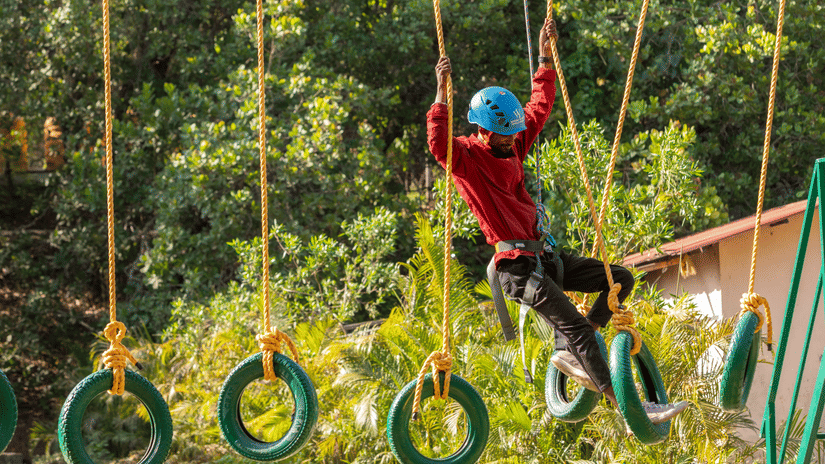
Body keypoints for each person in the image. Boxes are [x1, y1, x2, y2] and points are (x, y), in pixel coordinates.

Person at [426, 17, 687, 425]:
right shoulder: (467, 160)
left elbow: (539, 108)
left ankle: (571, 348)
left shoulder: (512, 143)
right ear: (483, 131)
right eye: (503, 135)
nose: (512, 140)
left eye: (513, 134)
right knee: (582, 333)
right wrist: (442, 95)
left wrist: (545, 56)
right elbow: (437, 142)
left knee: (619, 280)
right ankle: (631, 408)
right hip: (516, 268)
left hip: (544, 258)